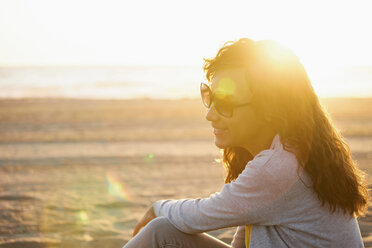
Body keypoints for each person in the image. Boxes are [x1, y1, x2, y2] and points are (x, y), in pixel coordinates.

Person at [122, 38, 369, 247]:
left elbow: (198, 215)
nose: (210, 114)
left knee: (159, 228)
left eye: (226, 103)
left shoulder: (278, 166)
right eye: (210, 97)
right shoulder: (289, 151)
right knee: (163, 230)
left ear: (271, 109)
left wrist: (156, 207)